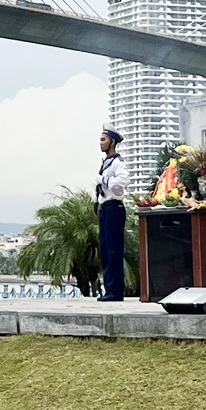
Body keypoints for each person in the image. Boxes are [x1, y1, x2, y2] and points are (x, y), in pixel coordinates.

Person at [94, 128, 130, 302]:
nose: (100, 143)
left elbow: (122, 182)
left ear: (112, 142)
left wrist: (104, 180)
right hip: (105, 208)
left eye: (103, 139)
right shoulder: (107, 162)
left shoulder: (117, 162)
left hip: (114, 207)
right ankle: (110, 289)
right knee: (106, 251)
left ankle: (116, 291)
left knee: (114, 250)